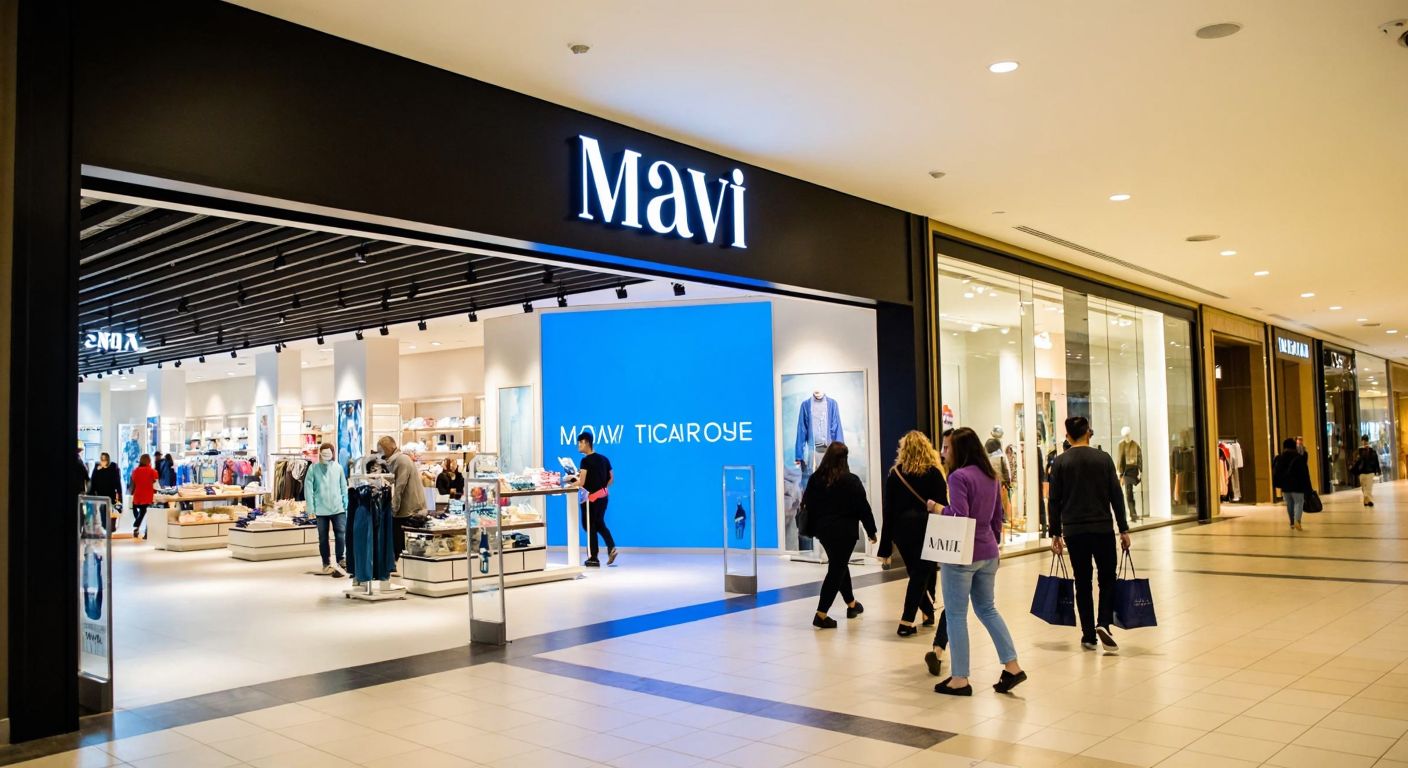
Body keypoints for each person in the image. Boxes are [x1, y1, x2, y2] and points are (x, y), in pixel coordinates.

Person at [932, 427, 1026, 696]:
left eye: (947, 447)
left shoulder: (958, 477)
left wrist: (937, 508)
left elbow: (959, 516)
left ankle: (959, 678)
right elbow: (997, 518)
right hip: (988, 552)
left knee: (956, 614)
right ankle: (1012, 666)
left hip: (962, 555)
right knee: (987, 609)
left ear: (960, 450)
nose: (943, 452)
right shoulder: (990, 476)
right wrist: (992, 545)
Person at [1049, 416, 1130, 654]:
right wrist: (1123, 529)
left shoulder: (1060, 462)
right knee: (1107, 579)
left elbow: (1054, 501)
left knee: (1082, 581)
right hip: (1102, 528)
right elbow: (1116, 496)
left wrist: (1055, 533)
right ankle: (1103, 622)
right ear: (1088, 433)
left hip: (1074, 531)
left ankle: (1088, 635)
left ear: (1067, 436)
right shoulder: (1103, 459)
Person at [878, 431, 947, 637]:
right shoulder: (934, 473)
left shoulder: (895, 474)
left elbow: (888, 511)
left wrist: (886, 545)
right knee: (921, 573)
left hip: (902, 532)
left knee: (916, 572)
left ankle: (927, 612)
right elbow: (943, 504)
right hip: (927, 528)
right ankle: (906, 621)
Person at [802, 442, 877, 629]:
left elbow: (807, 503)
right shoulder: (851, 480)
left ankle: (852, 605)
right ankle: (821, 614)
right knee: (837, 569)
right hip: (846, 533)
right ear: (845, 458)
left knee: (839, 564)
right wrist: (871, 531)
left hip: (824, 532)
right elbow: (863, 507)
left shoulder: (815, 479)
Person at [377, 436, 426, 564]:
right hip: (407, 506)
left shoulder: (402, 460)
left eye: (381, 449)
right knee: (398, 535)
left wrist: (394, 508)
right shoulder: (397, 460)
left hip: (408, 507)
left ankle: (397, 562)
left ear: (388, 448)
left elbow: (400, 486)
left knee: (398, 536)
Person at [305, 442, 349, 576]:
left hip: (338, 508)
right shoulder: (313, 468)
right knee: (323, 537)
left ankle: (341, 560)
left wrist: (345, 503)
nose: (325, 456)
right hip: (320, 509)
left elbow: (343, 487)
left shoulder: (338, 468)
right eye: (323, 453)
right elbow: (308, 489)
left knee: (340, 535)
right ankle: (326, 562)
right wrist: (311, 508)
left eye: (328, 453)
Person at [577, 431, 617, 566]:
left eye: (580, 443)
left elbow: (581, 482)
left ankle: (593, 557)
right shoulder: (604, 459)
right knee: (599, 523)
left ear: (586, 442)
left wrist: (570, 481)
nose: (578, 446)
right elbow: (611, 478)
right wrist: (602, 486)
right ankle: (611, 547)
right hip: (603, 497)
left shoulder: (585, 461)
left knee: (590, 526)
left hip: (590, 499)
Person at [1273, 437, 1313, 530]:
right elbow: (1304, 473)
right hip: (1297, 485)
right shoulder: (1298, 457)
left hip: (1286, 485)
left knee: (1289, 504)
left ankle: (1291, 522)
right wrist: (1308, 487)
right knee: (1299, 502)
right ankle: (1297, 521)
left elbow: (1277, 472)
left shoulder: (1280, 458)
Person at [130, 453, 160, 540]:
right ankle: (146, 531)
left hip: (137, 495)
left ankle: (137, 526)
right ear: (149, 461)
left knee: (139, 512)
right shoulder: (152, 471)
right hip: (148, 496)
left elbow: (133, 482)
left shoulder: (135, 471)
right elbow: (156, 483)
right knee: (148, 514)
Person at [1351, 435, 1381, 508]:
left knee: (1369, 487)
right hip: (1362, 472)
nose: (1365, 442)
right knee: (1364, 487)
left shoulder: (1372, 451)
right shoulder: (1359, 451)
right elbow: (1355, 461)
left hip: (1370, 472)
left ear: (1368, 441)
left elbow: (1376, 461)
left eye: (1366, 440)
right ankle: (1366, 501)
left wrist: (1378, 470)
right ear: (1361, 441)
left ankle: (1370, 501)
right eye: (1363, 440)